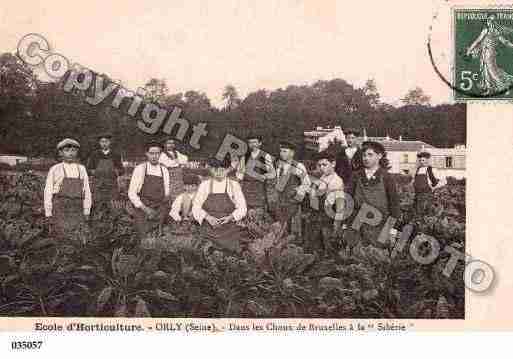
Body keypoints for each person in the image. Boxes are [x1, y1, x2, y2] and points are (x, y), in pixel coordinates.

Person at [346, 141, 400, 250]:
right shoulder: (356, 176)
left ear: (379, 156)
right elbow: (348, 200)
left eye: (370, 155)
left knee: (378, 256)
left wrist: (393, 230)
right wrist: (346, 224)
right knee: (357, 255)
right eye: (364, 155)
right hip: (358, 223)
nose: (366, 158)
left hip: (381, 223)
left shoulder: (387, 177)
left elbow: (394, 205)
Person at [192, 157, 248, 255]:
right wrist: (208, 217)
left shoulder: (234, 185)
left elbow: (242, 207)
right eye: (215, 169)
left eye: (222, 170)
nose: (218, 173)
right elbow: (196, 207)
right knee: (205, 254)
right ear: (210, 170)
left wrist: (230, 217)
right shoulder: (204, 185)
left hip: (229, 229)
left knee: (231, 256)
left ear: (227, 169)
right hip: (209, 230)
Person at [44, 138, 92, 239]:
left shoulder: (81, 169)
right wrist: (48, 213)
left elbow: (87, 191)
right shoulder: (55, 169)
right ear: (60, 153)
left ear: (77, 152)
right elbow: (48, 192)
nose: (70, 153)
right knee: (61, 238)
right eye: (67, 150)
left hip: (77, 208)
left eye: (73, 150)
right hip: (61, 208)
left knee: (77, 239)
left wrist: (86, 210)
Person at [128, 141, 170, 242]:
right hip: (142, 209)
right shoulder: (140, 169)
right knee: (144, 240)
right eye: (152, 153)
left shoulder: (164, 170)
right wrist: (145, 209)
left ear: (160, 154)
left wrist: (162, 208)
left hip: (158, 209)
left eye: (157, 153)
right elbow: (131, 193)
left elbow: (167, 191)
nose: (154, 156)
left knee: (158, 240)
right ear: (146, 154)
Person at [309, 150, 345, 257]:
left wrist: (337, 223)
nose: (321, 167)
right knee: (316, 246)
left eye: (325, 164)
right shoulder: (323, 177)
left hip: (329, 217)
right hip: (318, 216)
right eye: (319, 165)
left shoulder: (336, 181)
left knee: (329, 246)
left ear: (333, 164)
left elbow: (340, 204)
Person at [270, 140, 311, 230]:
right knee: (281, 228)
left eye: (285, 151)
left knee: (293, 228)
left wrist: (297, 196)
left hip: (293, 203)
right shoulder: (279, 166)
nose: (282, 154)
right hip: (281, 202)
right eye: (281, 151)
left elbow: (307, 183)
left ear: (292, 153)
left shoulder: (298, 166)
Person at [86, 133, 124, 212]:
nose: (104, 144)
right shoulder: (94, 155)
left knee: (112, 207)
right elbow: (88, 170)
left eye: (106, 141)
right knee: (97, 206)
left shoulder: (115, 155)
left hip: (111, 185)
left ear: (109, 142)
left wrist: (115, 172)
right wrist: (96, 172)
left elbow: (122, 170)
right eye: (102, 142)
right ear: (99, 143)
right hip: (98, 185)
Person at [235, 134, 275, 209]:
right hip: (246, 188)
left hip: (259, 188)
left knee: (259, 209)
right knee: (245, 208)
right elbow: (239, 174)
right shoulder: (244, 157)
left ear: (260, 143)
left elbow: (273, 174)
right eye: (250, 143)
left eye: (255, 142)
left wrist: (265, 176)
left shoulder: (266, 156)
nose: (252, 145)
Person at [412, 151, 445, 216]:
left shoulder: (431, 169)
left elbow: (444, 181)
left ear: (427, 160)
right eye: (420, 160)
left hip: (427, 195)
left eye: (423, 160)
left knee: (427, 214)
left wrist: (434, 187)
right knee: (417, 213)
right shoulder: (418, 170)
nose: (421, 162)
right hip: (417, 195)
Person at [159, 138, 188, 205]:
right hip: (169, 175)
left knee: (180, 192)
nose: (171, 145)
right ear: (165, 145)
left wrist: (176, 161)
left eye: (172, 143)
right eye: (169, 143)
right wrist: (177, 161)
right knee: (170, 192)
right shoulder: (162, 154)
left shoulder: (176, 153)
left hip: (178, 176)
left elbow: (185, 159)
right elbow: (168, 163)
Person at [335, 129, 363, 194]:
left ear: (356, 139)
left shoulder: (361, 153)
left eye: (352, 138)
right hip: (343, 182)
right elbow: (337, 169)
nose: (350, 140)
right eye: (348, 138)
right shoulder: (341, 153)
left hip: (357, 183)